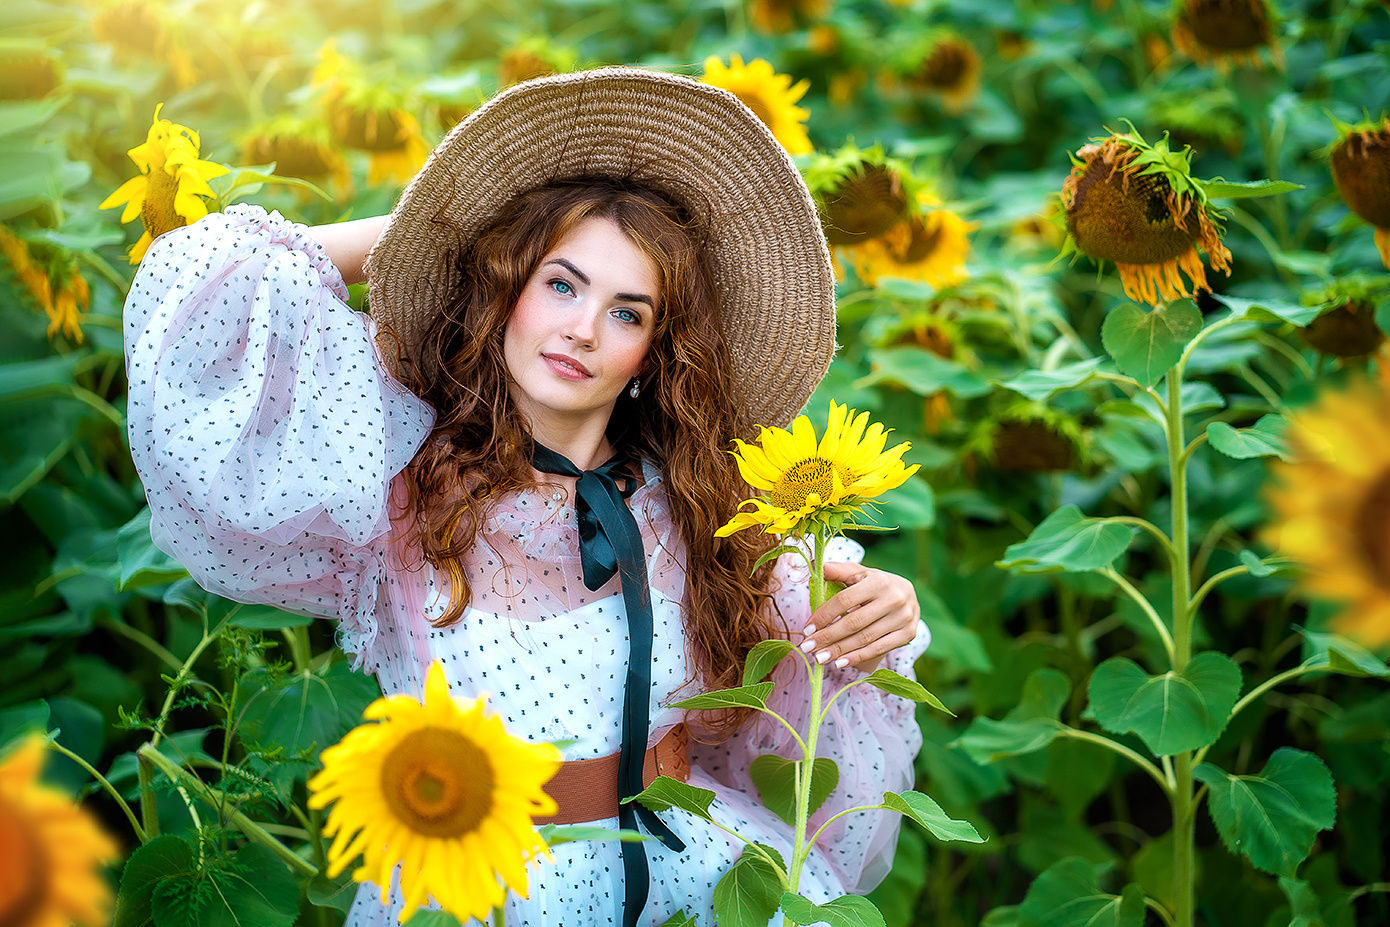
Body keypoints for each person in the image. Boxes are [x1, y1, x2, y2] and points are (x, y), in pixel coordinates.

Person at [123, 67, 929, 927]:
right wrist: (435, 234)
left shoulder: (698, 503)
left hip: (697, 859)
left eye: (629, 312)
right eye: (560, 283)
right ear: (508, 286)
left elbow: (808, 683)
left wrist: (884, 611)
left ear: (653, 354)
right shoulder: (400, 490)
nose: (583, 327)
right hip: (480, 881)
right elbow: (211, 288)